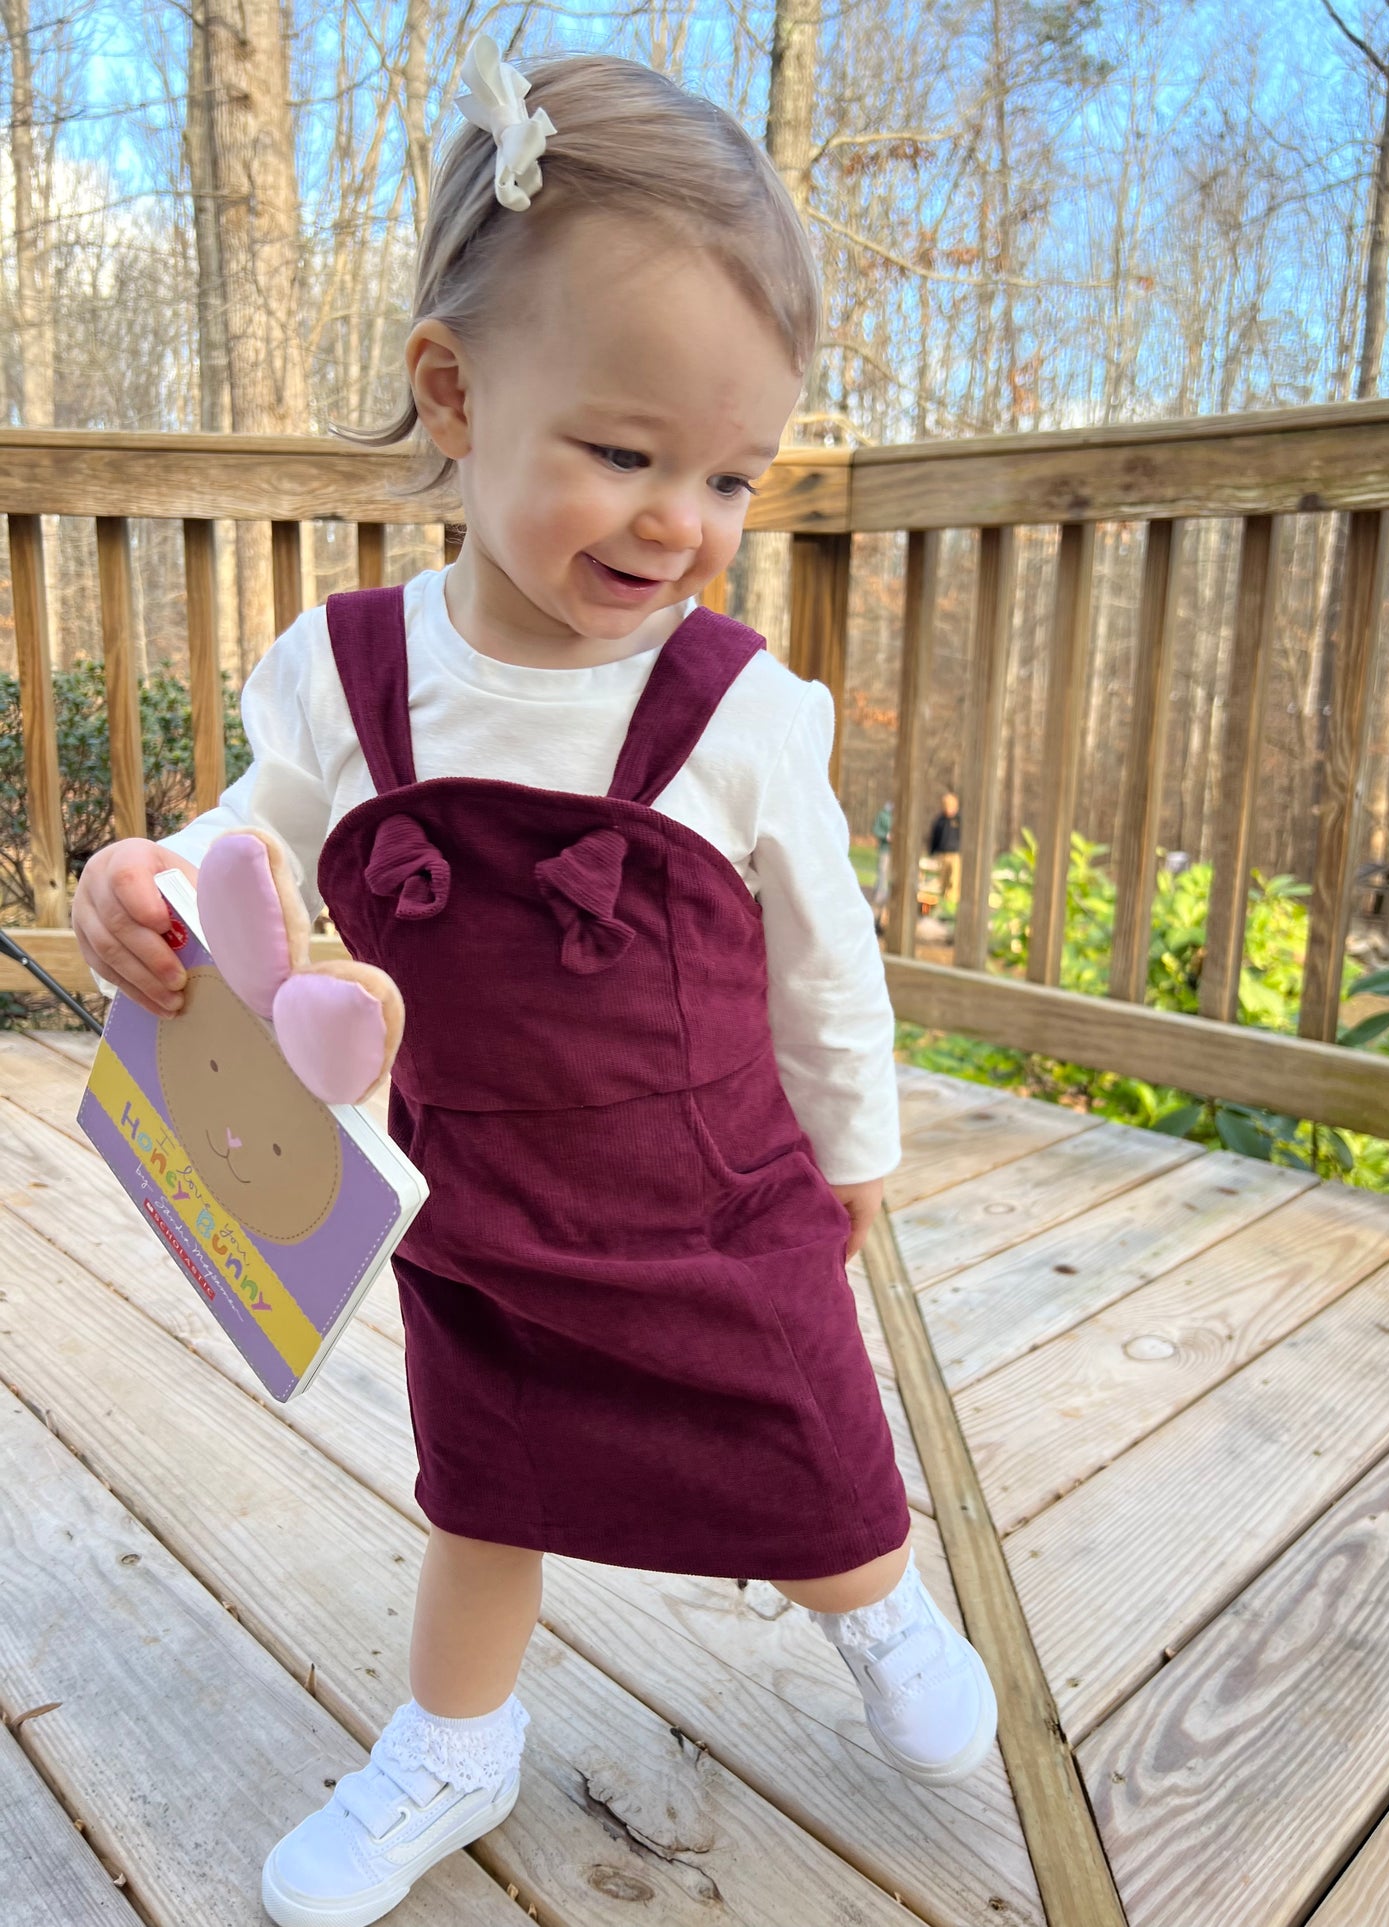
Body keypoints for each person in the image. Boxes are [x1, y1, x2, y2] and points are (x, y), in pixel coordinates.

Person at [71, 37, 996, 1927]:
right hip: (479, 1205)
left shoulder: (736, 709)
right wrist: (142, 881)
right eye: (626, 451)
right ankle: (452, 1738)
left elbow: (825, 953)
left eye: (731, 472)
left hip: (716, 1199)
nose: (679, 522)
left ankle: (878, 1596)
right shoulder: (344, 679)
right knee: (482, 1482)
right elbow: (243, 844)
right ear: (455, 389)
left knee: (807, 1447)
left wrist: (861, 1148)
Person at [928, 789, 962, 909]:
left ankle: (951, 906)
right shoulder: (940, 821)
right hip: (942, 854)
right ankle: (942, 905)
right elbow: (934, 837)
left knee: (954, 881)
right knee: (942, 881)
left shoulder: (959, 820)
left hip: (955, 855)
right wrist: (932, 851)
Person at [871, 797, 893, 930]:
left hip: (899, 853)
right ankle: (876, 917)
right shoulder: (883, 814)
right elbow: (876, 829)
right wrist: (886, 835)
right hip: (886, 850)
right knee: (882, 878)